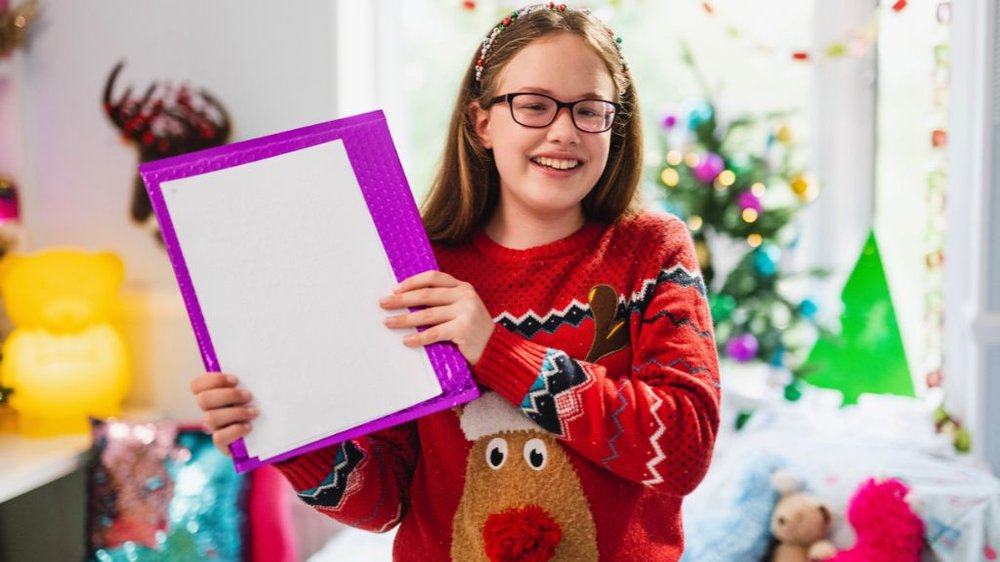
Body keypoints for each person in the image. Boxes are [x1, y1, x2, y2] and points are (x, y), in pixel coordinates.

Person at [190, 4, 720, 561]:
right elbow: (385, 503)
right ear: (482, 122)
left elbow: (682, 451)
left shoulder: (651, 249)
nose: (565, 131)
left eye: (590, 110)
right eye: (534, 106)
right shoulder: (413, 271)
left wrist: (494, 349)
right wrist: (284, 437)